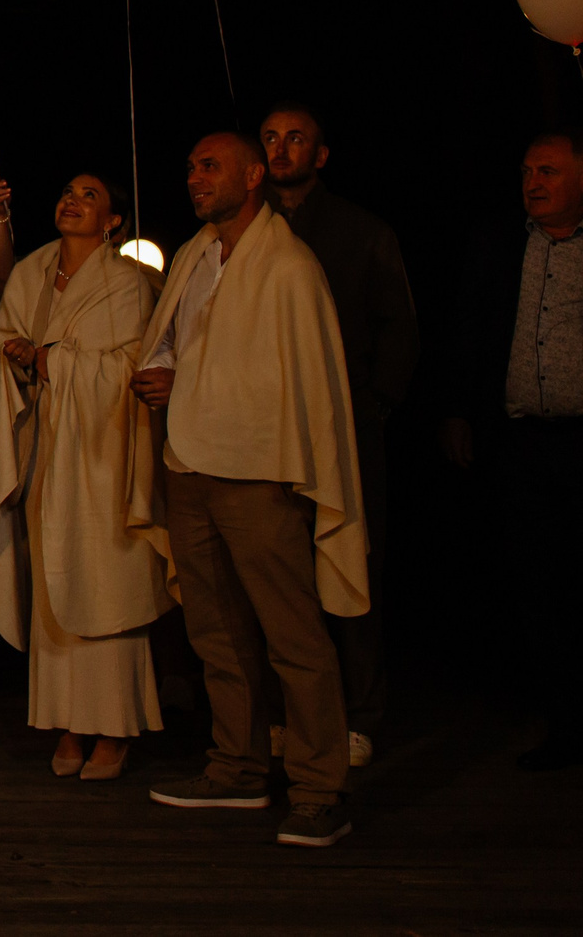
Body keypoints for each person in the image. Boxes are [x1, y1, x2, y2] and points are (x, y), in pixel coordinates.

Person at [128, 132, 367, 847]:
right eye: (192, 165)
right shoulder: (200, 253)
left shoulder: (288, 265)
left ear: (254, 175)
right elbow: (182, 339)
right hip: (191, 463)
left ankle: (321, 787)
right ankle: (236, 764)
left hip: (259, 471)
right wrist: (162, 370)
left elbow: (295, 381)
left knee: (291, 633)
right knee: (216, 629)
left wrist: (184, 381)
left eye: (211, 166)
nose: (195, 177)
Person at [0, 173, 168, 780]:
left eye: (90, 196)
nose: (72, 201)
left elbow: (136, 365)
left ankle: (114, 728)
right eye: (67, 192)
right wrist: (14, 361)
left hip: (106, 453)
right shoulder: (31, 272)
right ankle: (67, 723)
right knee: (55, 579)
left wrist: (52, 360)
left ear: (113, 221)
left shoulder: (130, 283)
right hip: (47, 449)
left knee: (106, 580)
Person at [260, 101, 415, 768]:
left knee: (348, 564)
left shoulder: (359, 230)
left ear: (320, 153)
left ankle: (359, 715)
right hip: (263, 432)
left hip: (342, 428)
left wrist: (372, 406)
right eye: (269, 137)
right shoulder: (244, 232)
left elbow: (398, 325)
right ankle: (291, 713)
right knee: (277, 576)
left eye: (296, 137)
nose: (281, 147)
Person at [440, 127, 583, 772]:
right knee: (537, 588)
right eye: (528, 171)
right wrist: (462, 412)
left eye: (549, 171)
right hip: (522, 442)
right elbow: (470, 328)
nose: (534, 183)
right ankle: (565, 727)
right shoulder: (500, 242)